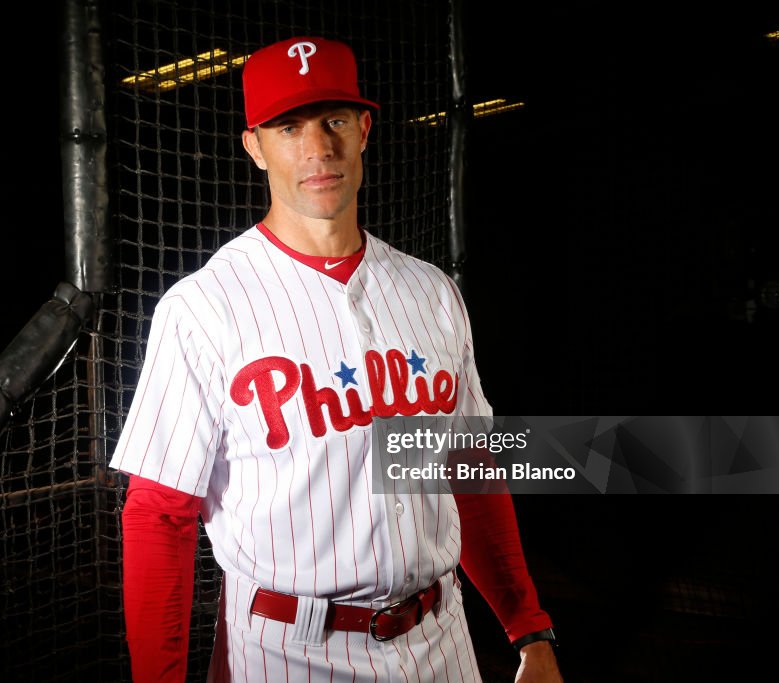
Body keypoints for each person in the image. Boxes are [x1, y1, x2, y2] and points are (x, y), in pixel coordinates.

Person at [110, 35, 563, 682]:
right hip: (288, 651)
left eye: (335, 121)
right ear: (255, 146)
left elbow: (470, 468)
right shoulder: (204, 307)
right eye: (289, 127)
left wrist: (529, 627)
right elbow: (158, 513)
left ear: (365, 129)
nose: (319, 148)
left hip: (442, 639)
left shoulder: (431, 290)